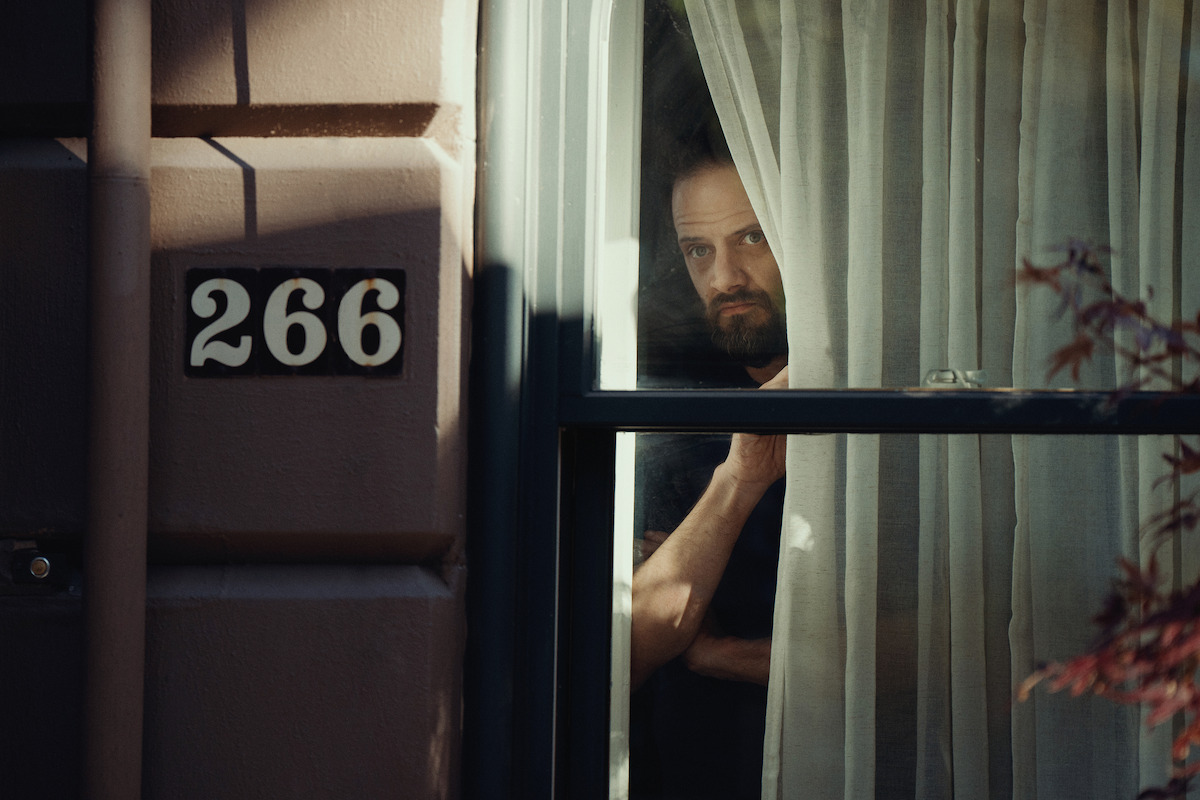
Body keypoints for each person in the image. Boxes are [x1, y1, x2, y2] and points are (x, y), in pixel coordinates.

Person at [629, 157, 788, 799]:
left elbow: (940, 645)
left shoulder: (883, 394)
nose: (724, 278)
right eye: (699, 249)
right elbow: (629, 650)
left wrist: (721, 655)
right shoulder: (679, 418)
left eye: (752, 237)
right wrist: (741, 476)